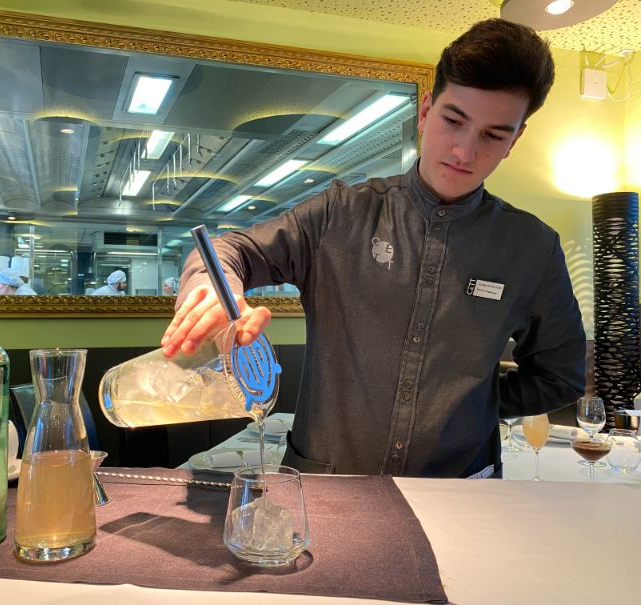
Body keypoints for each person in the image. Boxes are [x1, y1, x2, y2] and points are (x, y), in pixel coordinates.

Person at [160, 19, 586, 478]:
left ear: (514, 141)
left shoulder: (532, 248)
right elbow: (230, 250)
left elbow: (560, 376)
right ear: (425, 112)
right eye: (453, 120)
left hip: (462, 490)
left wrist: (474, 403)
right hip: (327, 482)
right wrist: (210, 286)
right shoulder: (339, 214)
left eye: (493, 135)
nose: (464, 151)